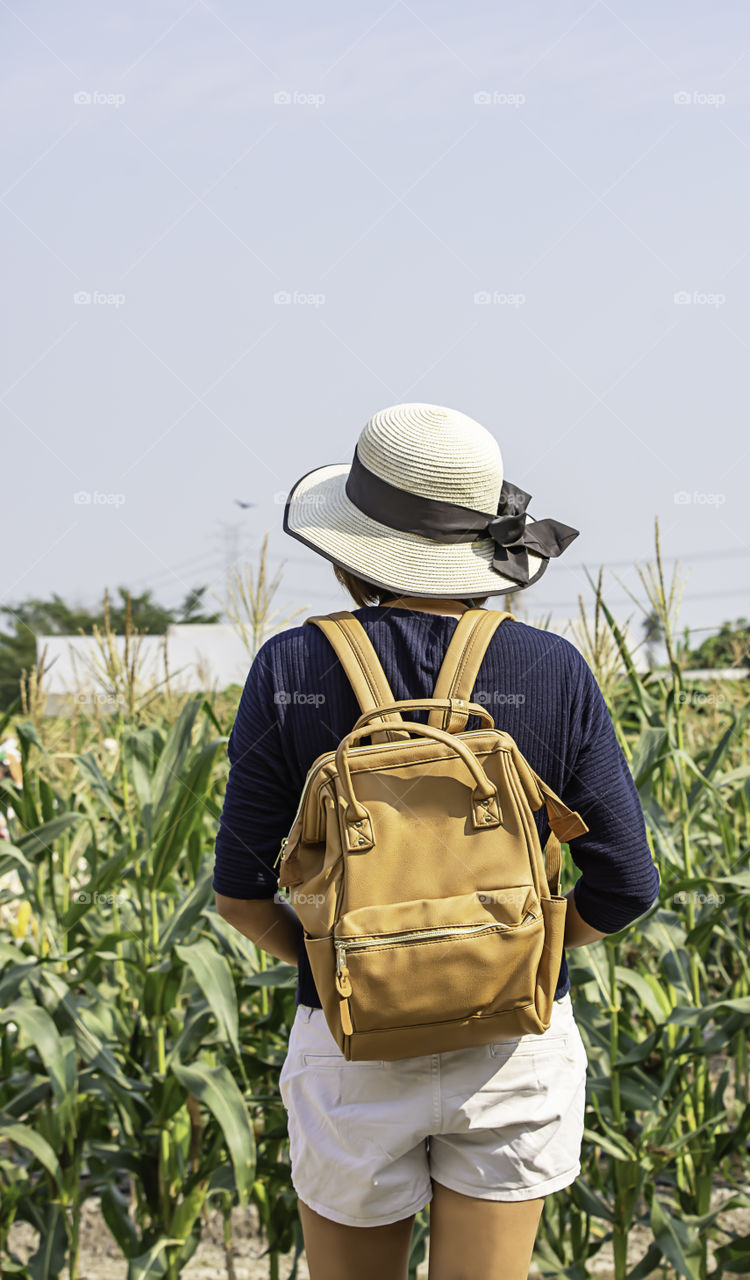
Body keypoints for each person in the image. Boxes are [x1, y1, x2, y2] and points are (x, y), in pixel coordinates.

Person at [213, 402, 660, 1280]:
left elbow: (237, 894)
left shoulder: (290, 669)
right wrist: (511, 956)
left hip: (350, 1048)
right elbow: (628, 885)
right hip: (513, 1050)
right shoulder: (552, 668)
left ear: (349, 548)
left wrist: (353, 965)